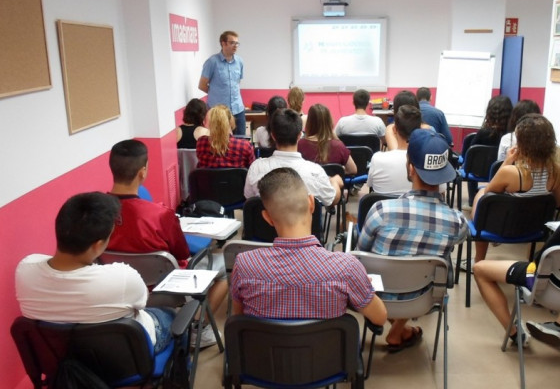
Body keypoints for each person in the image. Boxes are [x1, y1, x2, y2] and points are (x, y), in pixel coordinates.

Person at [231, 167, 387, 389]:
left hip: (264, 365)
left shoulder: (244, 264)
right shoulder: (346, 267)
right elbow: (380, 317)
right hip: (329, 365)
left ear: (267, 218)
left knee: (268, 334)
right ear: (312, 204)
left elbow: (239, 320)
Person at [16, 192, 176, 353]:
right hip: (123, 357)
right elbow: (142, 304)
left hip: (64, 359)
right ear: (98, 245)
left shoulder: (25, 269)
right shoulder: (123, 278)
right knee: (172, 315)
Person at [107, 139, 228, 348]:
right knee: (225, 268)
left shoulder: (95, 212)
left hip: (119, 288)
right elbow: (181, 253)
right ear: (143, 172)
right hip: (165, 288)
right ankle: (198, 327)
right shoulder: (160, 214)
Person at [474, 146, 560, 347]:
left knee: (480, 269)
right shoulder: (557, 173)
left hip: (556, 291)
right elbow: (558, 203)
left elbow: (542, 261)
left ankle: (515, 333)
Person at [358, 129, 467, 351]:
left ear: (410, 168)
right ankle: (400, 329)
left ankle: (394, 325)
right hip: (422, 300)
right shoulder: (457, 223)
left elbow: (361, 257)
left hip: (377, 296)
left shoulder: (380, 211)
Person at [468, 114, 560, 266]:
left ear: (522, 143)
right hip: (535, 229)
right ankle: (530, 264)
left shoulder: (511, 173)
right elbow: (558, 203)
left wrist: (507, 161)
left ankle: (479, 261)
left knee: (482, 193)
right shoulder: (557, 172)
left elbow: (489, 195)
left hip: (501, 228)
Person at [244, 108, 342, 206]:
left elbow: (249, 198)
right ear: (300, 135)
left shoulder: (256, 167)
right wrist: (335, 182)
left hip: (265, 221)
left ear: (273, 136)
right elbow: (332, 199)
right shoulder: (315, 172)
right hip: (303, 221)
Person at [461, 95, 513, 206]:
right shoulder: (510, 137)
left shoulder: (483, 133)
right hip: (499, 173)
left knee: (470, 166)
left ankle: (472, 200)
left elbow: (469, 154)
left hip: (477, 171)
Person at [367, 104, 421, 195]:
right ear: (419, 129)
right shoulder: (424, 161)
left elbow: (370, 184)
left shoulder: (378, 159)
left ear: (394, 129)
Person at [198, 30, 245, 136]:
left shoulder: (239, 62)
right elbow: (202, 85)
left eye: (237, 43)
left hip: (238, 109)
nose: (235, 46)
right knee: (218, 142)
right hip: (218, 112)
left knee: (241, 141)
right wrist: (217, 93)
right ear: (223, 43)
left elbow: (237, 83)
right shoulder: (212, 62)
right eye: (232, 42)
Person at [298, 103, 357, 174]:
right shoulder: (338, 146)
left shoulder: (300, 145)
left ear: (309, 122)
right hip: (332, 184)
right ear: (329, 121)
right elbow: (353, 170)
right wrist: (338, 171)